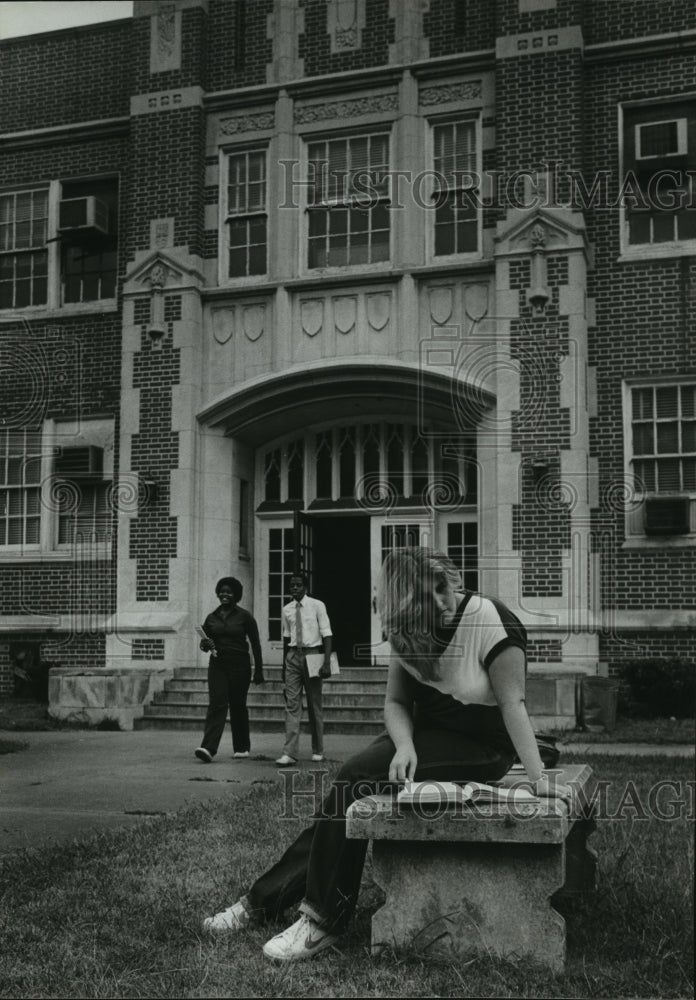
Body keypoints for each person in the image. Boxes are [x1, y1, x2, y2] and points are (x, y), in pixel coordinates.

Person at [202, 548, 572, 962]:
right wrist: (407, 745)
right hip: (424, 734)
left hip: (484, 745)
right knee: (349, 787)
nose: (440, 602)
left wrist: (540, 782)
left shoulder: (491, 621)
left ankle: (321, 920)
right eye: (424, 596)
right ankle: (262, 901)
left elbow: (513, 704)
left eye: (442, 588)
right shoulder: (407, 631)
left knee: (355, 778)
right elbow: (396, 703)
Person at [195, 577, 264, 763]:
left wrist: (259, 669)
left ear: (236, 595)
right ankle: (208, 748)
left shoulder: (245, 616)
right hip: (218, 665)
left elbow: (256, 644)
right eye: (222, 591)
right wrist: (206, 644)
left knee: (237, 705)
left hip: (240, 665)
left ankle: (241, 747)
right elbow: (204, 645)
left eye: (229, 592)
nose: (225, 595)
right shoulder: (211, 617)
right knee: (217, 703)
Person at [274, 573, 333, 767]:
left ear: (305, 587)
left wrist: (326, 661)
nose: (295, 588)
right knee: (292, 705)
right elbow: (286, 636)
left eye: (299, 585)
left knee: (314, 703)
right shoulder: (287, 609)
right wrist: (284, 664)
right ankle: (289, 752)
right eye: (292, 585)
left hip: (313, 655)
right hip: (293, 656)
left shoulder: (317, 605)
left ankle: (318, 749)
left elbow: (326, 633)